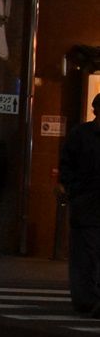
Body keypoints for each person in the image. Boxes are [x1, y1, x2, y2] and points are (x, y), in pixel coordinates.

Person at [58, 92, 100, 318]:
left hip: (85, 202)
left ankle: (89, 299)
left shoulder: (82, 134)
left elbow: (67, 167)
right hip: (86, 205)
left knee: (88, 255)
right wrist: (75, 189)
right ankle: (87, 300)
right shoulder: (81, 135)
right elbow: (67, 166)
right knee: (86, 255)